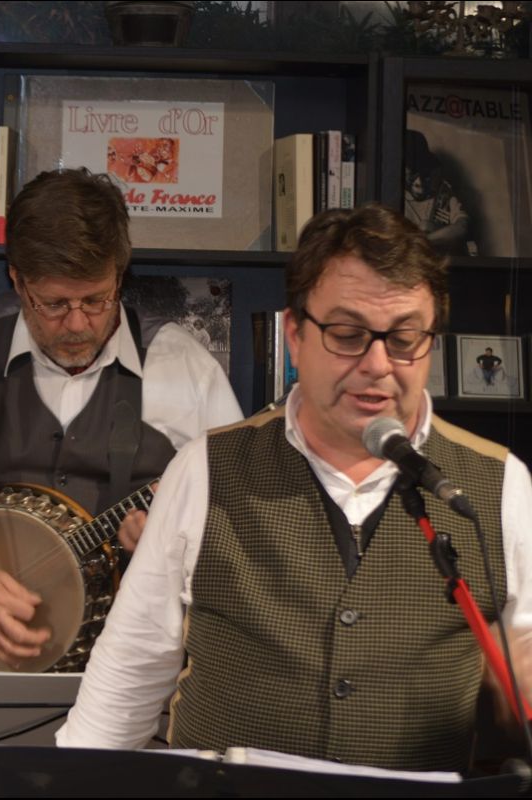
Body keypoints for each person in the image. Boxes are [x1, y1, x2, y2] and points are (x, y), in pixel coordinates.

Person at [57, 203, 532, 773]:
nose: (378, 364)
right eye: (348, 334)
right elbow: (125, 684)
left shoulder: (500, 486)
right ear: (295, 335)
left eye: (405, 338)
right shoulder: (204, 469)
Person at [0, 168, 243, 670]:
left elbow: (240, 522)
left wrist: (178, 544)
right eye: (54, 304)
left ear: (119, 276)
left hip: (140, 673)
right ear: (17, 280)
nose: (77, 324)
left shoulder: (184, 366)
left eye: (96, 300)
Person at [404, 129, 471, 255]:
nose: (419, 182)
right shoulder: (391, 194)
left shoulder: (442, 190)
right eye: (412, 173)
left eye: (422, 173)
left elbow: (462, 226)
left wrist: (426, 240)